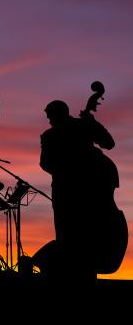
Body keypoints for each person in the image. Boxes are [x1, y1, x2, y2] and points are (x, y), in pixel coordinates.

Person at [40, 100, 116, 282]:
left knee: (72, 240)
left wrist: (92, 122)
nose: (50, 120)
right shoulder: (52, 135)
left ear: (60, 114)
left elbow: (108, 143)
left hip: (71, 194)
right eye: (49, 117)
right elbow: (45, 163)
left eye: (51, 116)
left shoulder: (75, 128)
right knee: (73, 240)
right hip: (74, 194)